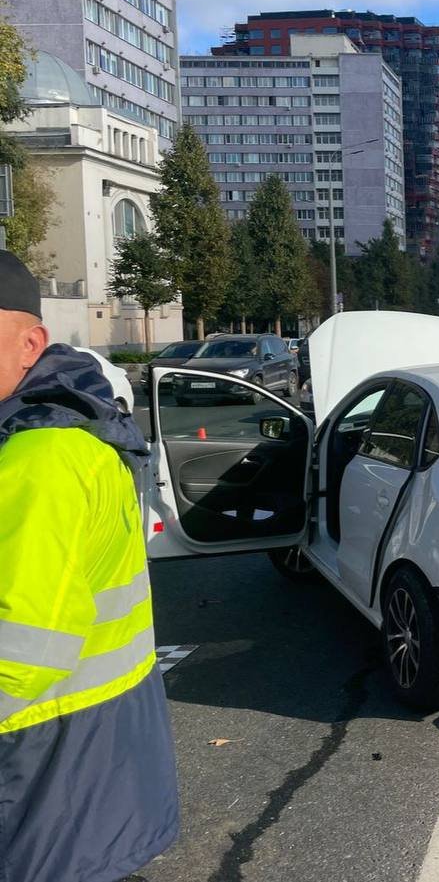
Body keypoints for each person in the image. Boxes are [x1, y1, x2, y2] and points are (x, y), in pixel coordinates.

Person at [0, 250, 179, 882]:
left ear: (32, 344)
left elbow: (20, 653)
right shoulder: (81, 431)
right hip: (99, 761)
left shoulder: (40, 458)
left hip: (43, 772)